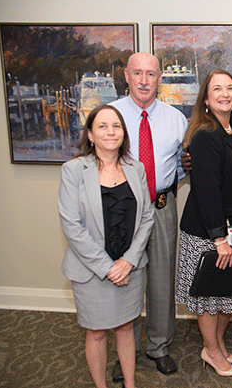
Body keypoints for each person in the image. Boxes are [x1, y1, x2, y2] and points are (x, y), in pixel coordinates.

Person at [58, 104, 154, 388]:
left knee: (126, 328)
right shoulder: (73, 170)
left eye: (116, 126)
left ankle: (130, 382)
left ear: (124, 134)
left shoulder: (136, 169)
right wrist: (107, 267)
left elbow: (147, 217)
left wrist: (128, 261)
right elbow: (71, 226)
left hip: (130, 269)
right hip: (92, 272)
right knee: (97, 333)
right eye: (102, 126)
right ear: (90, 134)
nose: (110, 132)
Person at [110, 52, 187, 380]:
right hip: (121, 208)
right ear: (126, 75)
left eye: (151, 74)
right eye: (138, 73)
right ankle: (123, 352)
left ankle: (158, 346)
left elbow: (184, 166)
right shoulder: (110, 115)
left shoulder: (176, 118)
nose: (144, 80)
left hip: (160, 207)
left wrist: (167, 189)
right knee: (122, 280)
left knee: (161, 277)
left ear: (159, 79)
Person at [175, 70, 232, 377]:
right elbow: (208, 191)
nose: (225, 93)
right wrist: (219, 239)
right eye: (217, 89)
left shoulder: (231, 132)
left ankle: (218, 345)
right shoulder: (205, 136)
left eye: (230, 88)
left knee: (228, 297)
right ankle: (211, 352)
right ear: (206, 99)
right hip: (209, 234)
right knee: (210, 300)